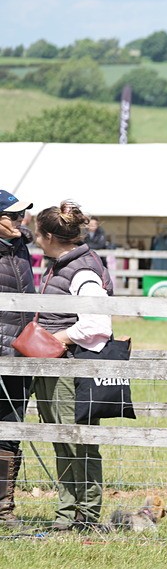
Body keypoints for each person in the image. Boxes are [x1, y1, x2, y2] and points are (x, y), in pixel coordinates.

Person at [30, 201, 115, 530]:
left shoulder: (82, 270)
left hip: (73, 366)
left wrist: (56, 339)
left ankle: (87, 516)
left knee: (79, 441)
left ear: (50, 235)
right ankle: (67, 514)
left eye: (38, 234)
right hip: (58, 365)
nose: (35, 239)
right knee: (62, 440)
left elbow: (97, 324)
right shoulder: (65, 263)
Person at [0, 189, 35, 524]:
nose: (20, 221)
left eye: (22, 215)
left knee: (10, 431)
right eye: (13, 215)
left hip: (20, 353)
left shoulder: (21, 246)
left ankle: (3, 508)